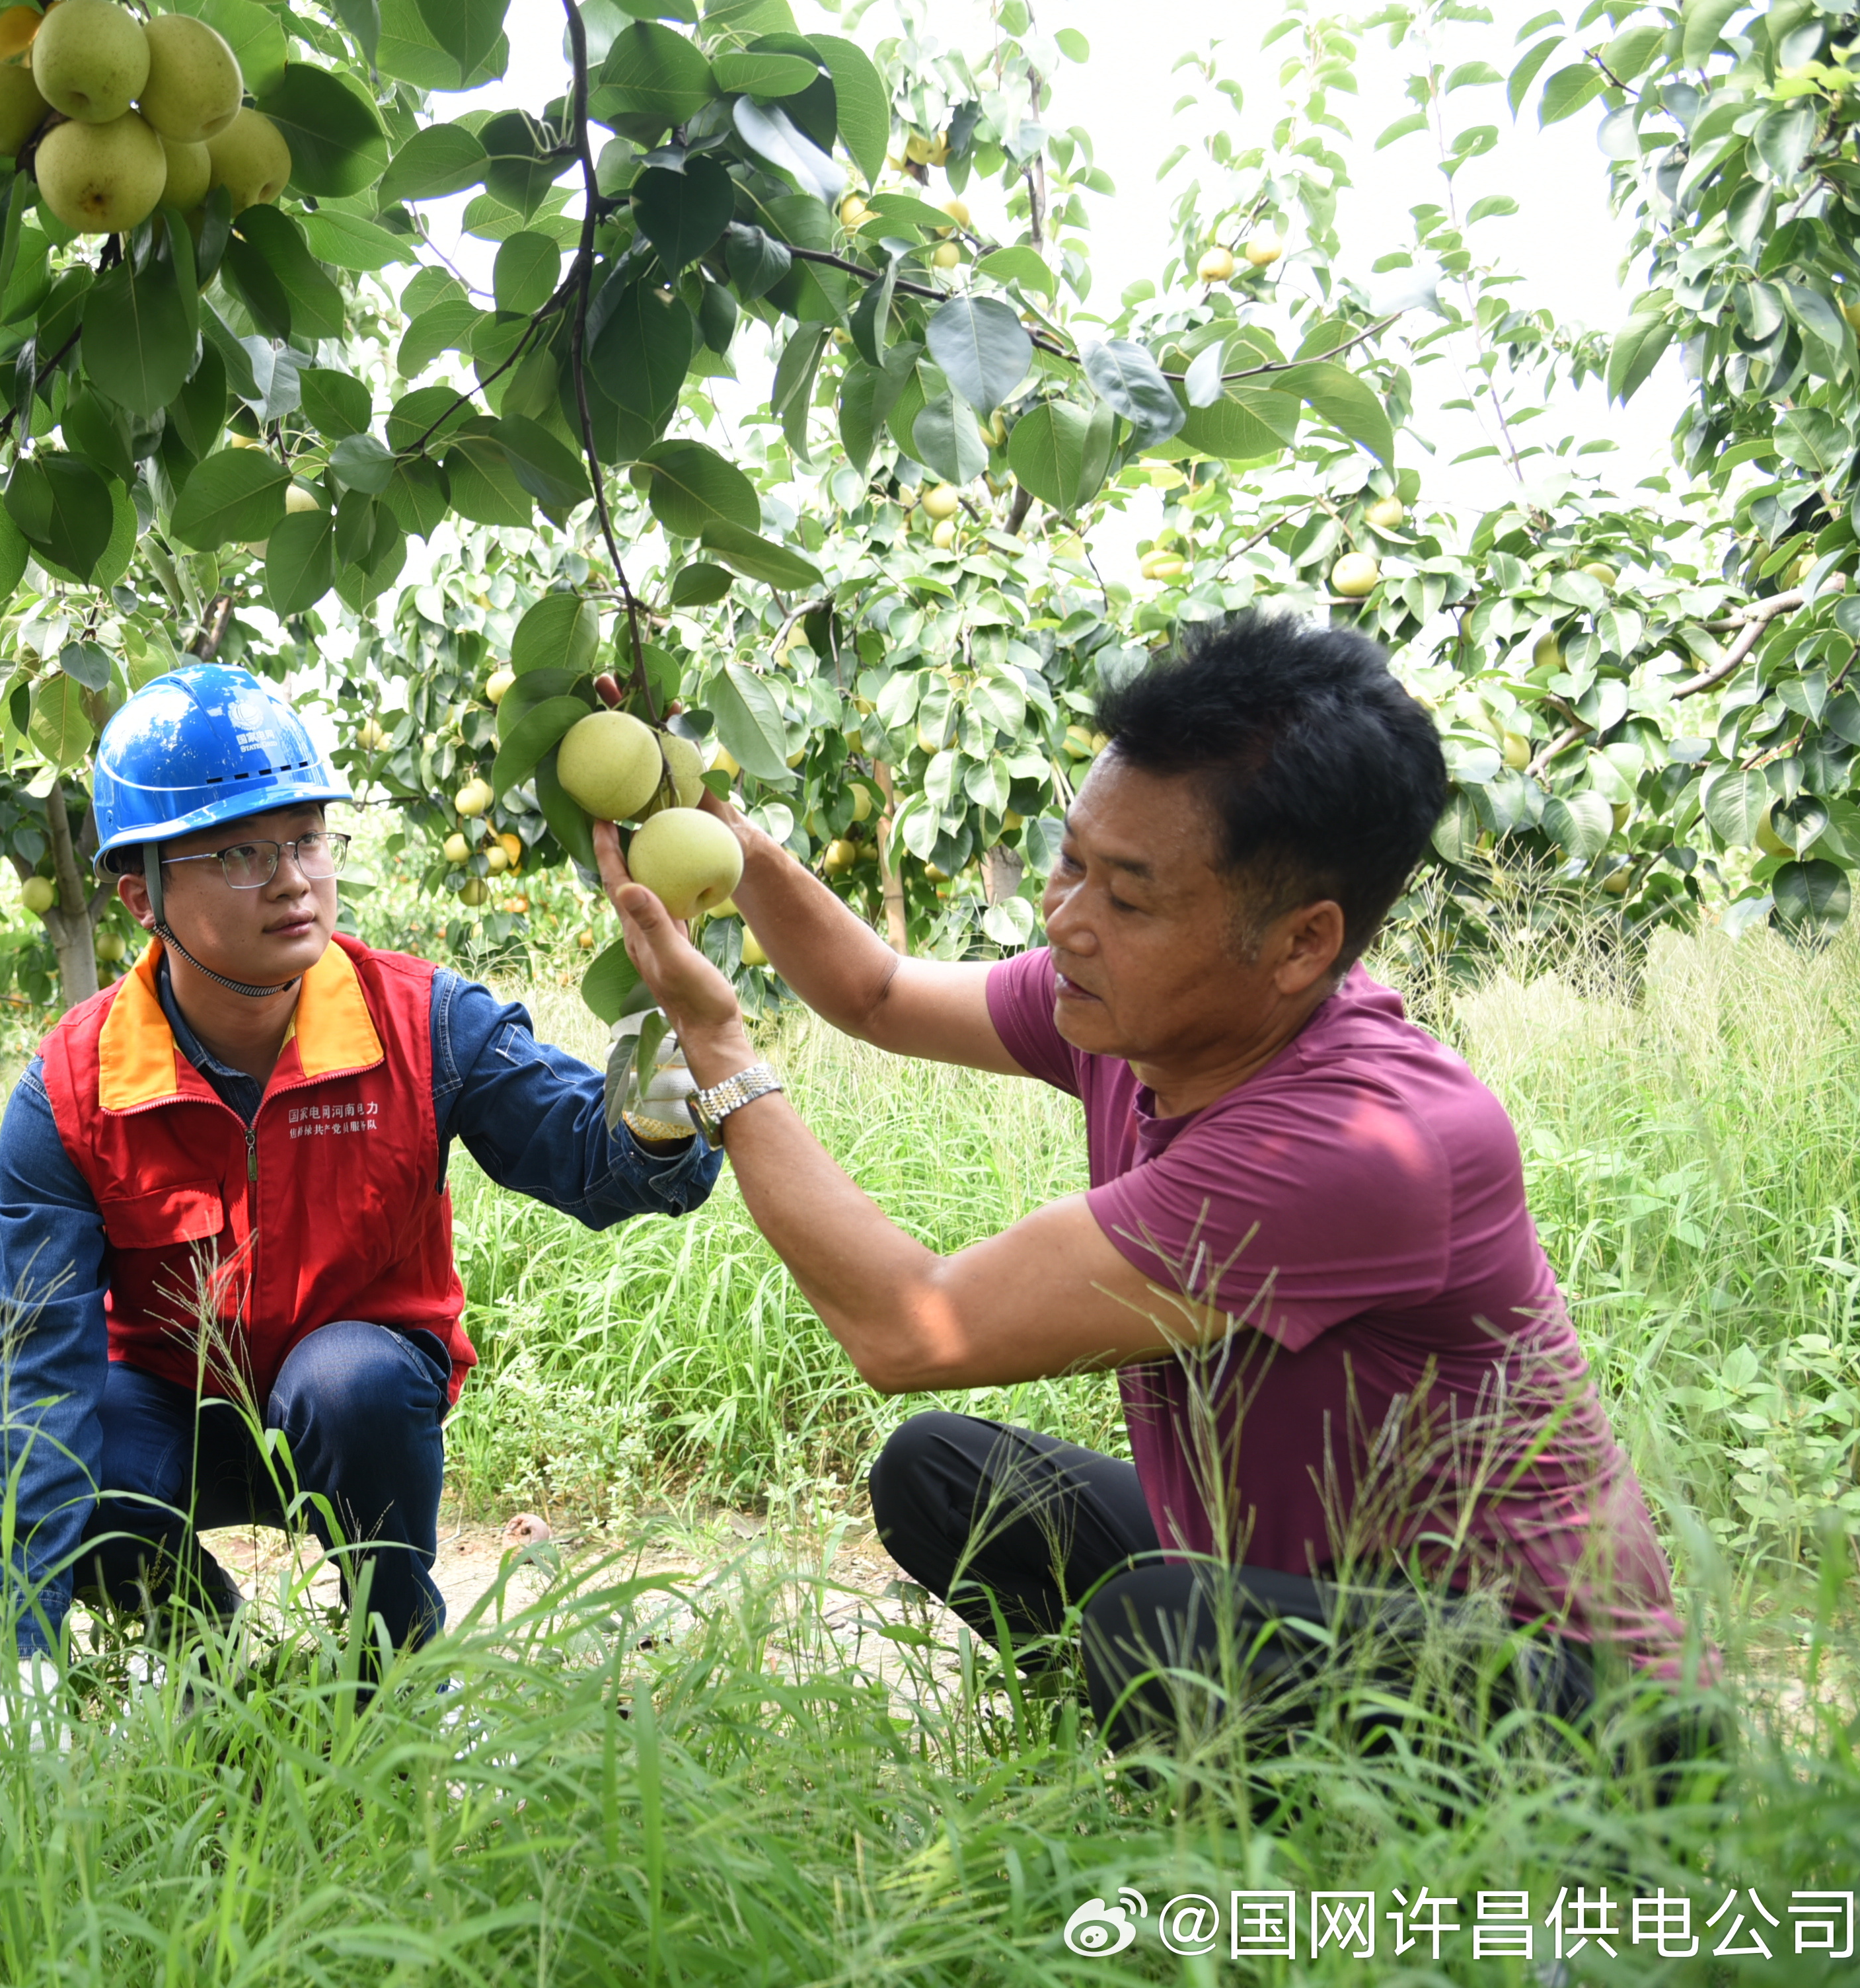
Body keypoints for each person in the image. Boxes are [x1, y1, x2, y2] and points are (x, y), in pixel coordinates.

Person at [593, 616, 1699, 1761]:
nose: (1066, 920)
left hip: (1576, 1702)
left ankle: (1291, 1799)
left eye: (1128, 897)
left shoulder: (1362, 1142)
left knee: (1158, 1628)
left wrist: (719, 1048)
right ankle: (1207, 1760)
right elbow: (875, 995)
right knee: (944, 1476)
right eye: (1072, 861)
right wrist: (708, 833)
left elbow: (908, 1327)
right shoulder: (1134, 1010)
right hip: (1296, 1587)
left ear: (1300, 944)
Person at [0, 663, 721, 1753]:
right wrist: (9, 1663)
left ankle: (396, 1662)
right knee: (89, 1458)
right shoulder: (73, 1090)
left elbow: (608, 1167)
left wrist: (663, 1025)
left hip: (354, 1413)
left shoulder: (422, 1022)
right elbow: (34, 1383)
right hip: (175, 1415)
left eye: (309, 840)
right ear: (141, 895)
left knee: (351, 1379)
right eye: (240, 853)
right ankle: (201, 1650)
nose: (292, 880)